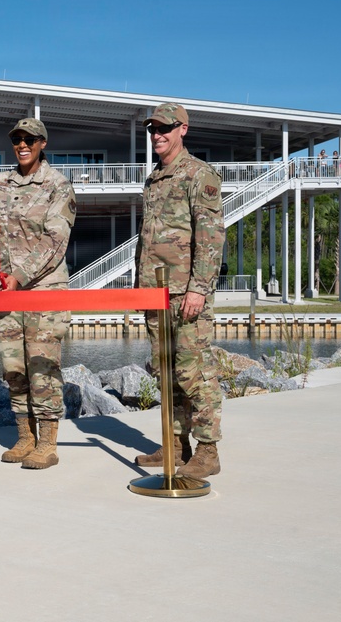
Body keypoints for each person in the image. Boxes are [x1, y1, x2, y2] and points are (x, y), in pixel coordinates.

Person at [0, 118, 75, 469]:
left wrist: (19, 274)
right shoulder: (0, 183)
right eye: (17, 139)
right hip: (6, 291)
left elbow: (56, 240)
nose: (22, 144)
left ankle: (47, 443)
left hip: (43, 289)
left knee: (42, 366)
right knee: (13, 366)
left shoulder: (58, 185)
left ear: (43, 143)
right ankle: (24, 436)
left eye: (29, 139)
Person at [134, 102, 226, 479]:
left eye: (165, 128)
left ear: (182, 129)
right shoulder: (154, 178)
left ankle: (207, 449)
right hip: (154, 293)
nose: (158, 134)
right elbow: (147, 240)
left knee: (193, 371)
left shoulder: (199, 175)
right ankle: (175, 445)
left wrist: (199, 289)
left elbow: (210, 235)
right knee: (165, 372)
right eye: (153, 129)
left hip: (185, 293)